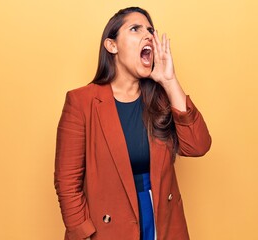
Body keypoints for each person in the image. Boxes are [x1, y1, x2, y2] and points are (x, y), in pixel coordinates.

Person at [54, 6, 211, 240]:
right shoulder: (81, 102)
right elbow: (67, 183)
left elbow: (198, 146)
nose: (148, 35)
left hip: (162, 221)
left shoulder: (160, 99)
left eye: (150, 29)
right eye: (135, 29)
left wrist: (169, 81)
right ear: (112, 46)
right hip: (108, 228)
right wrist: (83, 233)